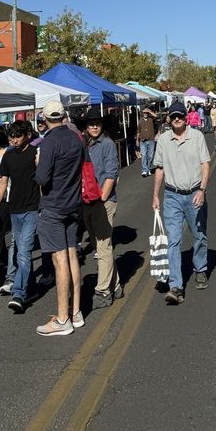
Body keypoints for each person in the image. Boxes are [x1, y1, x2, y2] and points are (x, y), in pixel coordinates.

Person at [151, 101, 211, 305]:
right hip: (172, 196)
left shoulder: (197, 137)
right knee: (173, 240)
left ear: (186, 117)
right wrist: (155, 195)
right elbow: (159, 168)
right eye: (173, 116)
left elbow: (205, 164)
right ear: (169, 118)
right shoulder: (163, 140)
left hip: (194, 193)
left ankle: (200, 268)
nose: (177, 119)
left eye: (180, 116)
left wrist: (202, 189)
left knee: (199, 235)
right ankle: (175, 286)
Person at [34, 99, 84, 336]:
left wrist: (37, 164)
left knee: (59, 259)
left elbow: (42, 178)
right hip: (73, 204)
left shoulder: (49, 142)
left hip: (54, 206)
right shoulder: (76, 137)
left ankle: (63, 318)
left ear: (44, 119)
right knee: (72, 254)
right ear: (64, 115)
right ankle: (76, 312)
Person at [0, 120, 40, 314]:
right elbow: (3, 181)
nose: (14, 140)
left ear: (27, 135)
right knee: (20, 249)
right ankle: (29, 284)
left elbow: (43, 180)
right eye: (11, 136)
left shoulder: (34, 154)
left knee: (23, 251)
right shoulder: (8, 155)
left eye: (18, 136)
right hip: (14, 210)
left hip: (31, 209)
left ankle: (19, 293)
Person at [81, 109, 123, 309]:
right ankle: (115, 285)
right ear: (86, 127)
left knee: (103, 246)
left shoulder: (107, 144)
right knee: (100, 246)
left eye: (97, 123)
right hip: (88, 201)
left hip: (103, 201)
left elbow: (111, 173)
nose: (94, 127)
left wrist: (102, 198)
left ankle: (103, 291)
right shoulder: (84, 144)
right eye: (91, 124)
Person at [137, 105, 157, 177]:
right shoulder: (140, 121)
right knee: (144, 155)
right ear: (142, 113)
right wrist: (137, 140)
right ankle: (144, 170)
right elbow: (138, 131)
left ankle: (149, 168)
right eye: (144, 112)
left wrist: (149, 111)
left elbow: (156, 116)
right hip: (142, 140)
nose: (145, 114)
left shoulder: (151, 119)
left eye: (146, 113)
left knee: (150, 156)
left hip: (151, 139)